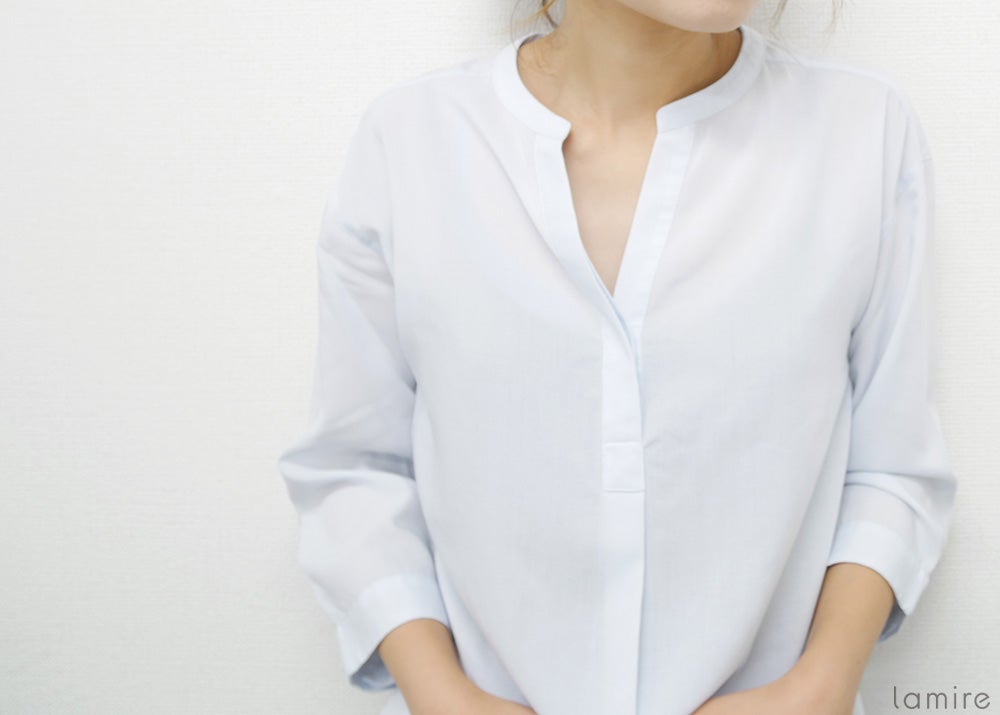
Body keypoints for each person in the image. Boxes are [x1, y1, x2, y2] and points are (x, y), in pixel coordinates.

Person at [275, 0, 958, 713]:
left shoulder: (863, 131)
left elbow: (892, 465)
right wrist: (441, 694)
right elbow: (356, 469)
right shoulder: (410, 143)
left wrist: (819, 686)